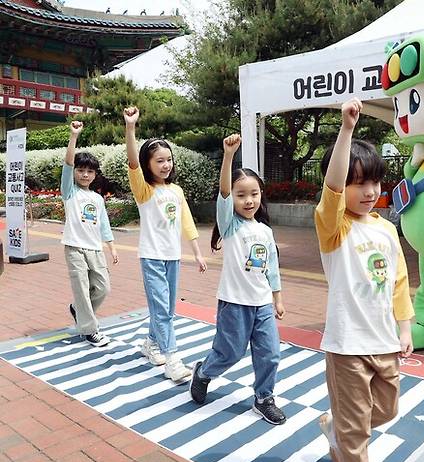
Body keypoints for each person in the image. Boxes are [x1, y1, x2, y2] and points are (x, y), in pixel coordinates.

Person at [315, 98, 414, 462]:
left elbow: (398, 280)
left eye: (373, 181)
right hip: (347, 345)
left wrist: (405, 325)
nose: (368, 191)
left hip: (385, 341)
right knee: (358, 429)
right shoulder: (334, 227)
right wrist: (346, 131)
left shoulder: (386, 228)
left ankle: (337, 430)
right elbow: (333, 188)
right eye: (358, 183)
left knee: (387, 410)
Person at [189, 134, 287, 425]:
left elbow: (272, 267)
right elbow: (223, 196)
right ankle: (204, 372)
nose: (249, 200)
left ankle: (263, 398)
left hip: (262, 306)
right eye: (241, 194)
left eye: (254, 193)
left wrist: (277, 297)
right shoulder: (229, 226)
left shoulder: (265, 231)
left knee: (270, 354)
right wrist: (229, 155)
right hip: (234, 304)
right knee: (229, 354)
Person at [123, 106, 207, 382]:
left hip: (173, 257)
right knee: (162, 310)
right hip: (152, 257)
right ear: (148, 164)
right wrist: (131, 127)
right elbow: (132, 163)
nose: (165, 165)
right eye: (158, 161)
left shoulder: (176, 190)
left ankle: (150, 343)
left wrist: (197, 252)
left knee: (166, 310)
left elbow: (186, 221)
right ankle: (173, 359)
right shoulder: (144, 190)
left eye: (168, 159)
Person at [62, 121, 118, 347]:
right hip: (74, 247)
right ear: (75, 172)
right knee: (82, 290)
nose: (85, 174)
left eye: (89, 171)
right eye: (81, 170)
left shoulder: (97, 198)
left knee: (103, 288)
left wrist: (112, 246)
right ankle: (90, 329)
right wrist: (74, 136)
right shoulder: (69, 191)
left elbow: (103, 224)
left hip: (95, 249)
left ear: (95, 174)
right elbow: (67, 164)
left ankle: (79, 312)